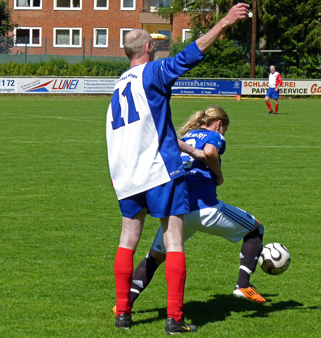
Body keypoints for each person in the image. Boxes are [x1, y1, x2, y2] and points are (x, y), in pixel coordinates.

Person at [106, 3, 250, 334]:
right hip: (158, 171)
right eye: (154, 44)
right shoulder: (152, 72)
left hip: (126, 172)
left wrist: (183, 146)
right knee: (173, 239)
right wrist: (225, 22)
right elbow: (190, 55)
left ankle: (123, 314)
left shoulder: (119, 85)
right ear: (146, 48)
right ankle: (174, 318)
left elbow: (154, 125)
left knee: (128, 238)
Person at [114, 105, 266, 317]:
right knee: (255, 229)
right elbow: (210, 152)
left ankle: (124, 304)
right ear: (219, 124)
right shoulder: (214, 135)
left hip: (178, 211)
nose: (223, 134)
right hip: (206, 210)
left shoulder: (186, 135)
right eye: (224, 130)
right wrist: (218, 175)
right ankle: (242, 285)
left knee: (154, 257)